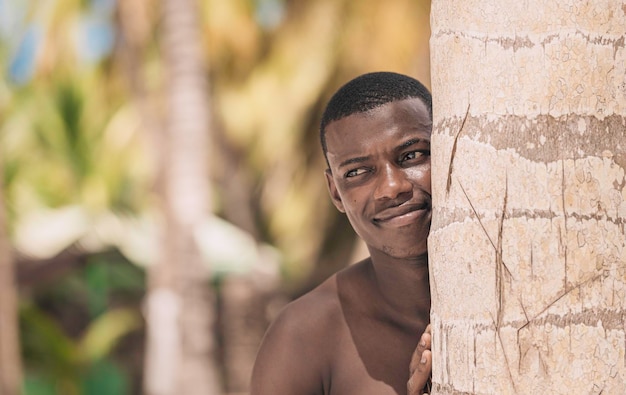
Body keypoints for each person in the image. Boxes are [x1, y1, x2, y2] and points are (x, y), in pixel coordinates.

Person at [250, 71, 433, 395]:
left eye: (412, 155)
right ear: (336, 193)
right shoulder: (306, 336)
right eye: (358, 172)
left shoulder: (525, 293)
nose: (392, 188)